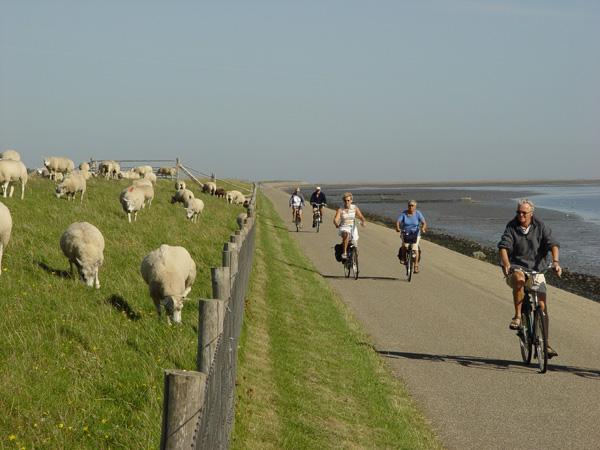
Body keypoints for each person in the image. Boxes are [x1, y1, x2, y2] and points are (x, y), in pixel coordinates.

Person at [498, 198, 562, 358]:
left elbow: (552, 243)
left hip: (537, 270)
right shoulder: (511, 226)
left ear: (531, 214)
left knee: (542, 306)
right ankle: (518, 317)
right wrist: (506, 263)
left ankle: (545, 344)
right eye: (518, 212)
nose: (520, 215)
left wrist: (555, 262)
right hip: (517, 268)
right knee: (519, 279)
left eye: (524, 213)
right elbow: (504, 247)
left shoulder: (540, 226)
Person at [395, 200, 427, 273]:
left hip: (415, 233)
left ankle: (416, 266)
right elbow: (398, 221)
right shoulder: (404, 213)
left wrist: (423, 228)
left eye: (412, 205)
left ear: (415, 207)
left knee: (415, 248)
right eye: (409, 205)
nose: (410, 207)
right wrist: (397, 227)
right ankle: (403, 258)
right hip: (405, 232)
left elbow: (424, 222)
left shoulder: (418, 213)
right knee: (404, 245)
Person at [333, 192, 366, 259]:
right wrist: (336, 224)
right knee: (346, 234)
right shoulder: (340, 209)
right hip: (344, 227)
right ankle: (344, 253)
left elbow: (361, 216)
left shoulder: (355, 208)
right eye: (345, 200)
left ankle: (354, 264)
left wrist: (363, 221)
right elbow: (336, 219)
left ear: (351, 200)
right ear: (343, 201)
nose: (347, 202)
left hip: (353, 227)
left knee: (355, 245)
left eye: (348, 200)